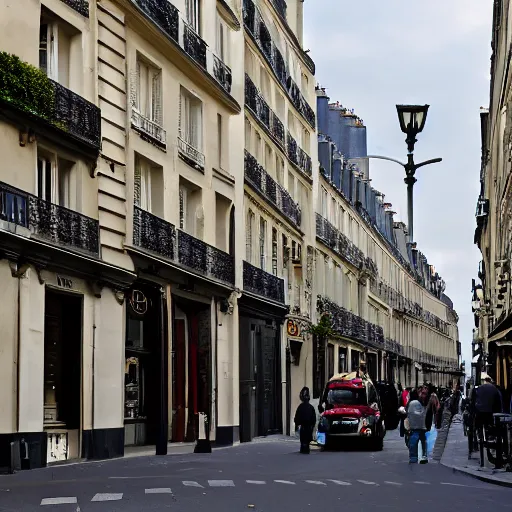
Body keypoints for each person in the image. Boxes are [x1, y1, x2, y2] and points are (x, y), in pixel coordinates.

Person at [406, 388, 428, 464]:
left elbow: (410, 413)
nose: (424, 395)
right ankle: (422, 456)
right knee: (421, 441)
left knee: (415, 441)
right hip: (419, 427)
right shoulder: (418, 403)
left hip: (416, 427)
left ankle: (415, 457)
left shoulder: (414, 403)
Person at [294, 387, 317, 454]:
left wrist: (297, 424)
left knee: (303, 437)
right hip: (308, 425)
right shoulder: (310, 407)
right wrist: (312, 425)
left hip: (304, 425)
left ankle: (304, 447)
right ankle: (306, 447)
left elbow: (297, 416)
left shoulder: (301, 406)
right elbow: (313, 418)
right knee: (307, 436)